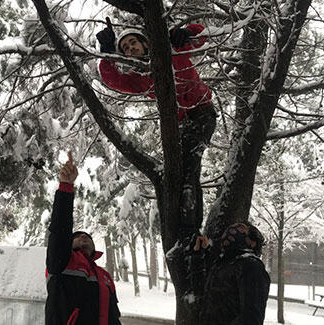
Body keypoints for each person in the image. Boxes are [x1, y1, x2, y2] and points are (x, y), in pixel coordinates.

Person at [95, 19, 217, 236]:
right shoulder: (140, 79)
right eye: (125, 48)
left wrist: (185, 32)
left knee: (188, 168)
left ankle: (191, 230)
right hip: (179, 124)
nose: (131, 48)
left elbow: (202, 35)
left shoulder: (172, 50)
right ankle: (183, 227)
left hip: (201, 114)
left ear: (145, 43)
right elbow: (114, 81)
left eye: (133, 42)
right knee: (179, 172)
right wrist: (107, 54)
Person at [45, 152, 121, 325]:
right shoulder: (61, 262)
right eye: (77, 237)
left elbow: (113, 316)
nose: (83, 238)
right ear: (68, 245)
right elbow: (59, 231)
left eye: (87, 237)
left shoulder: (104, 276)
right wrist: (66, 186)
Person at [192, 222, 271, 325]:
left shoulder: (251, 266)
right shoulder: (223, 264)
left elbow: (251, 317)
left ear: (252, 242)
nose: (233, 229)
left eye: (242, 228)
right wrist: (198, 255)